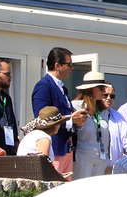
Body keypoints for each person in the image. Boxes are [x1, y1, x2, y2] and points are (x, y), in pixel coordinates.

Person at [32, 47, 87, 176]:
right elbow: (42, 118)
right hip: (54, 147)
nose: (72, 68)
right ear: (57, 65)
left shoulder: (62, 88)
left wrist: (78, 119)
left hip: (66, 148)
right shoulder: (44, 86)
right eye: (69, 64)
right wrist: (71, 120)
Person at [70, 72, 116, 179]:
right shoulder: (76, 106)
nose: (104, 91)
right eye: (101, 88)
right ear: (90, 89)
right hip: (83, 159)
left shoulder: (103, 110)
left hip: (101, 160)